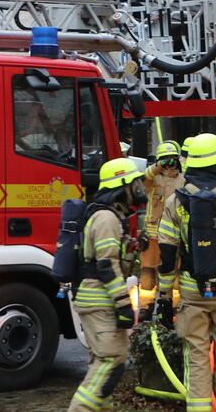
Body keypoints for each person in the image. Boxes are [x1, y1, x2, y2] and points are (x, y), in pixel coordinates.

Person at [156, 133, 216, 412]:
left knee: (197, 357)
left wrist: (165, 296)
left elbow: (166, 257)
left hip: (192, 290)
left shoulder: (175, 202)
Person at [67, 157, 147, 412]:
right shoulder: (105, 219)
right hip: (99, 299)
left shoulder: (109, 217)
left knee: (105, 363)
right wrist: (124, 304)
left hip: (99, 298)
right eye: (135, 183)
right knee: (110, 362)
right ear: (123, 186)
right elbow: (106, 266)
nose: (139, 188)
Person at [138, 141, 185, 293]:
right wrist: (159, 166)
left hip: (175, 233)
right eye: (166, 159)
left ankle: (171, 302)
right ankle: (147, 304)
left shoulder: (183, 179)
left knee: (175, 271)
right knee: (148, 275)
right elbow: (145, 177)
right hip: (153, 233)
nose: (170, 163)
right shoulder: (153, 179)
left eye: (173, 159)